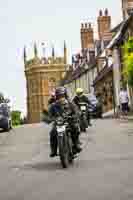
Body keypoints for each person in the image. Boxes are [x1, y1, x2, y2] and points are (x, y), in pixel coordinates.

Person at [48, 87, 82, 157]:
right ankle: (53, 150)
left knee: (76, 128)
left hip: (69, 122)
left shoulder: (70, 103)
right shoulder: (53, 106)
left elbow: (77, 111)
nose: (61, 98)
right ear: (57, 97)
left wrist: (76, 115)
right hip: (58, 123)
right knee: (52, 133)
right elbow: (49, 115)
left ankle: (76, 144)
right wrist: (49, 119)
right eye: (59, 96)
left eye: (62, 96)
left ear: (65, 96)